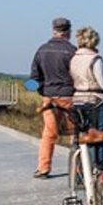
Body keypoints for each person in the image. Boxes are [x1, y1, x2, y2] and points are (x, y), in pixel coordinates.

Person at [29, 17, 77, 178]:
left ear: (53, 30)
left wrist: (43, 92)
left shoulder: (41, 50)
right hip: (69, 96)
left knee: (49, 134)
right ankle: (77, 170)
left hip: (49, 98)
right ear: (68, 32)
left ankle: (43, 168)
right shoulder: (72, 51)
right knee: (75, 134)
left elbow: (32, 80)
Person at [70, 26, 103, 168]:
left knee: (83, 136)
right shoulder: (95, 59)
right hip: (95, 101)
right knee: (99, 137)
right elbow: (102, 83)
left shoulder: (74, 58)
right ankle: (99, 168)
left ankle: (81, 170)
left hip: (77, 100)